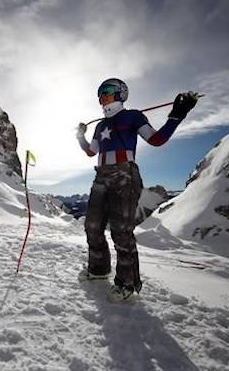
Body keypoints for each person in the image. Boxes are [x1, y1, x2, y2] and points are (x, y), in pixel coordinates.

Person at [76, 78, 198, 303]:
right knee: (92, 226)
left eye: (109, 91)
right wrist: (80, 136)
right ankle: (98, 270)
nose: (103, 96)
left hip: (124, 174)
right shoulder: (100, 126)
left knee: (121, 231)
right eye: (101, 93)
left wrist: (177, 115)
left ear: (122, 93)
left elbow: (157, 139)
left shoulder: (133, 116)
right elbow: (91, 152)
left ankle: (127, 283)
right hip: (101, 175)